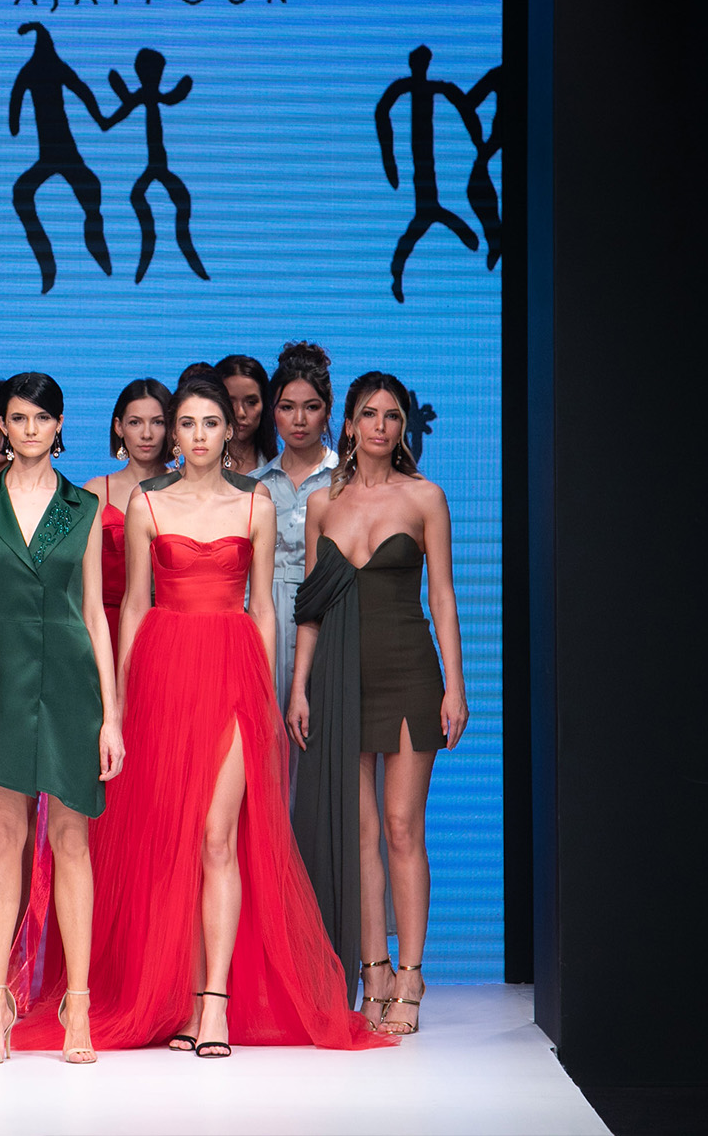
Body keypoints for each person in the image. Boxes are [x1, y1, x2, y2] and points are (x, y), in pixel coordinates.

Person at [17, 373, 386, 1057]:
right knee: (178, 841)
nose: (196, 435)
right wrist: (119, 702)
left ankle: (214, 1002)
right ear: (174, 434)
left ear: (229, 431)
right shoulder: (148, 505)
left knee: (219, 835)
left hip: (234, 672)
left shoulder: (256, 505)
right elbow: (133, 606)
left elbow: (265, 607)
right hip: (162, 675)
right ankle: (182, 999)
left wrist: (269, 697)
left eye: (209, 423)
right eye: (185, 423)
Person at [289, 371, 469, 1035]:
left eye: (392, 416)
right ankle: (374, 972)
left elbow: (442, 594)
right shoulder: (322, 504)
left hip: (408, 671)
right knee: (360, 834)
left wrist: (456, 684)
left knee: (400, 827)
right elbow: (310, 608)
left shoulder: (425, 497)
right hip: (340, 679)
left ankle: (412, 976)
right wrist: (300, 687)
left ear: (402, 428)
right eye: (369, 413)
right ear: (349, 423)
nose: (381, 426)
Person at [0, 373, 121, 1066]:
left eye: (40, 418)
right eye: (17, 418)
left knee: (72, 839)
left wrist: (112, 715)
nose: (28, 429)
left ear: (59, 426)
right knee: (2, 840)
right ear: (3, 426)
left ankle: (77, 1005)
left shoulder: (85, 506)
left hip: (72, 682)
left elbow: (96, 613)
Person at [249, 344, 341, 736]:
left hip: (330, 617)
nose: (299, 420)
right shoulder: (253, 486)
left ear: (328, 410)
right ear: (273, 412)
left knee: (327, 737)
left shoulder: (347, 481)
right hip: (263, 615)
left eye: (311, 407)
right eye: (287, 407)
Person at [85, 378, 174, 636]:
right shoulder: (96, 491)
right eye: (135, 422)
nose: (146, 434)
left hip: (168, 623)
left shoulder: (186, 488)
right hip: (106, 624)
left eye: (158, 422)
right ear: (119, 427)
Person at [215, 354, 274, 477]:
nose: (240, 413)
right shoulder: (190, 474)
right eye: (230, 402)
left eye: (251, 402)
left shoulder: (279, 473)